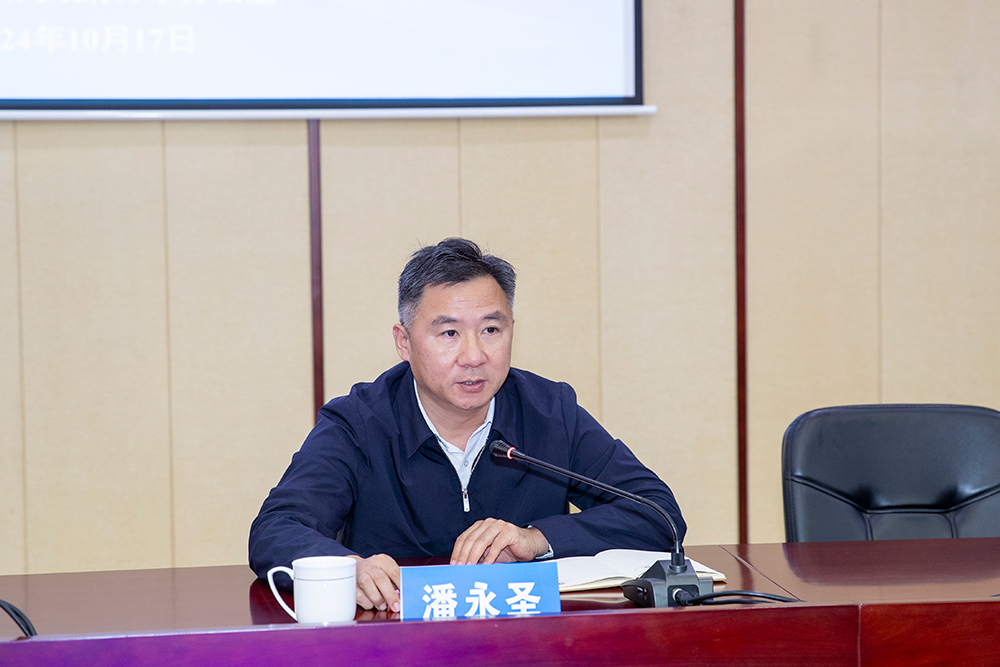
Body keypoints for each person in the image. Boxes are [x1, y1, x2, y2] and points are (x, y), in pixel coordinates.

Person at [249, 238, 685, 613]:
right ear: (404, 342)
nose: (474, 356)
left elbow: (658, 514)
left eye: (491, 329)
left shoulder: (550, 412)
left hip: (525, 644)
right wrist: (349, 569)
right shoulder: (359, 422)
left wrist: (537, 539)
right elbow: (277, 527)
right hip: (394, 643)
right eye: (449, 334)